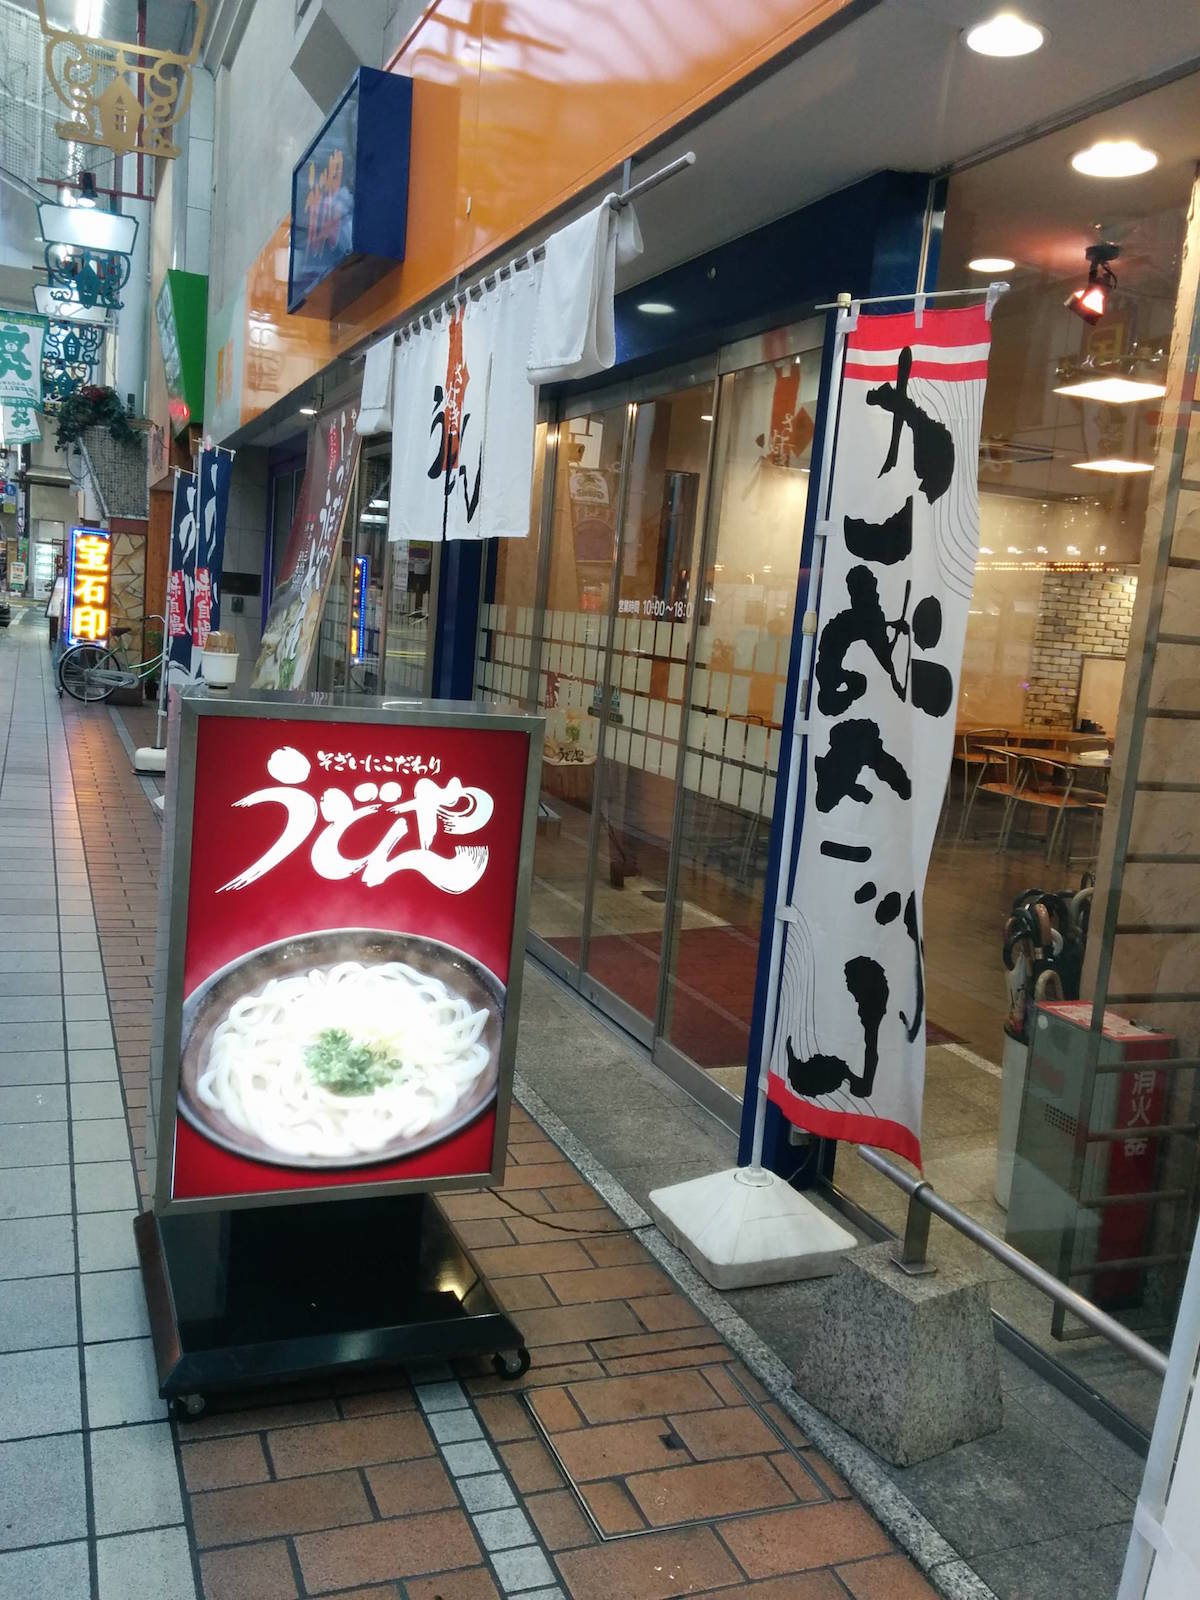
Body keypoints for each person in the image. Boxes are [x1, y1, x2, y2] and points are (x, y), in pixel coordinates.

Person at [46, 573, 65, 649]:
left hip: (56, 613)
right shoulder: (61, 583)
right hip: (58, 612)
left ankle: (54, 638)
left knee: (55, 625)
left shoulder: (58, 582)